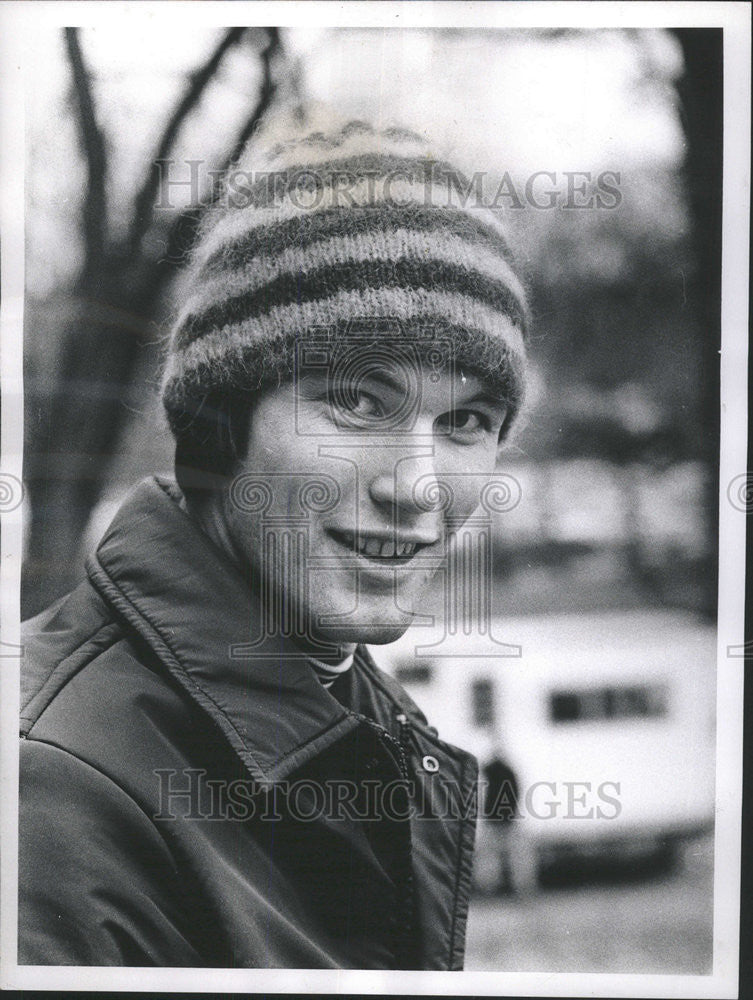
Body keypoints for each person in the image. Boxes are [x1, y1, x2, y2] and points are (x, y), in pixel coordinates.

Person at [19, 112, 529, 969]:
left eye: (466, 421)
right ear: (219, 425)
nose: (415, 487)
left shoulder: (357, 710)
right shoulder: (54, 787)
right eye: (357, 402)